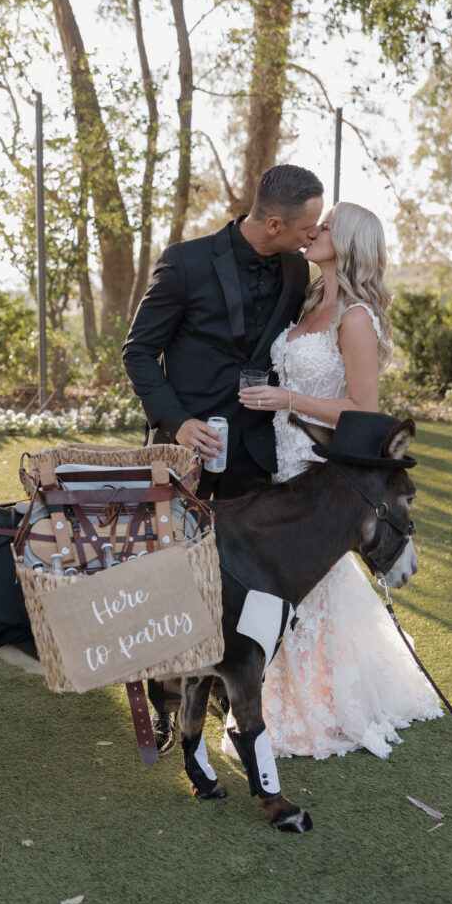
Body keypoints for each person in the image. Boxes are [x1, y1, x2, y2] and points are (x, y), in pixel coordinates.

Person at [225, 200, 442, 759]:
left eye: (326, 226)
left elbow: (364, 409)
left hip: (321, 466)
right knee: (281, 580)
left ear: (348, 244)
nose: (313, 231)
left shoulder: (356, 318)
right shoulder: (310, 302)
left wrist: (287, 397)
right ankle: (270, 695)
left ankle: (320, 703)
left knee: (314, 584)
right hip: (283, 457)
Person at [122, 163, 324, 752]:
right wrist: (178, 423)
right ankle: (163, 698)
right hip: (183, 453)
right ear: (275, 221)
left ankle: (219, 686)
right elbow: (138, 354)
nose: (313, 235)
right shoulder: (184, 262)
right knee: (166, 572)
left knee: (240, 579)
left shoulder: (294, 267)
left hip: (257, 456)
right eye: (308, 226)